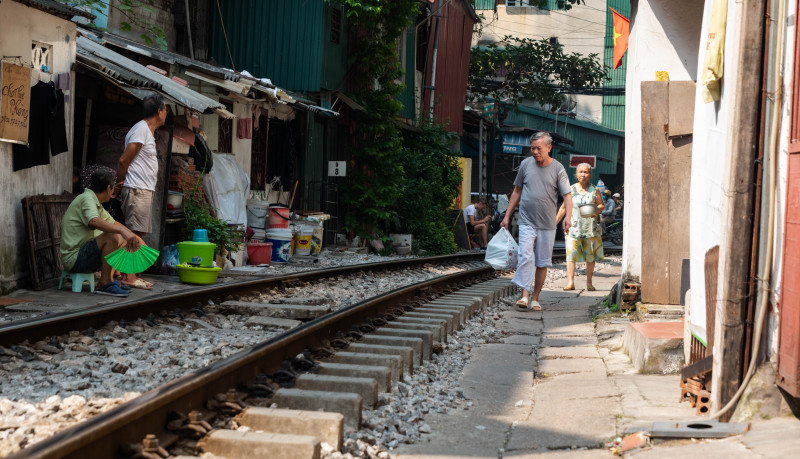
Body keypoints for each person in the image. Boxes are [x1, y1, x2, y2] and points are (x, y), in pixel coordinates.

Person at [501, 132, 572, 311]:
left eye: (538, 148)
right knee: (525, 255)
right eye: (532, 148)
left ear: (549, 148)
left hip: (547, 223)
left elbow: (567, 196)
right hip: (526, 220)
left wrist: (568, 218)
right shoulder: (525, 164)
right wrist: (507, 216)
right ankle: (524, 296)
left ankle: (535, 298)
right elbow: (517, 191)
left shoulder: (558, 169)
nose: (534, 151)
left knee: (542, 262)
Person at [60, 169, 143, 297]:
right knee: (113, 235)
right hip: (75, 260)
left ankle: (109, 280)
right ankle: (104, 283)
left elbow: (113, 223)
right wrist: (122, 231)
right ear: (109, 188)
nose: (113, 192)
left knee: (120, 237)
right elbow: (94, 221)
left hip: (84, 256)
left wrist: (134, 237)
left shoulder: (95, 202)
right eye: (113, 188)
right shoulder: (86, 199)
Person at [115, 94, 167, 289]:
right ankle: (129, 276)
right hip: (137, 188)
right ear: (160, 111)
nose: (166, 113)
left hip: (142, 189)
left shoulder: (146, 130)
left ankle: (126, 271)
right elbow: (123, 160)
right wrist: (120, 183)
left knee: (138, 232)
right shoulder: (141, 130)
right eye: (166, 109)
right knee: (134, 233)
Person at [556, 163, 605, 291]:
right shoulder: (570, 190)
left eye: (586, 172)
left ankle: (589, 283)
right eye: (580, 172)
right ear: (576, 174)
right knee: (570, 255)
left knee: (590, 256)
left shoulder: (595, 190)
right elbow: (563, 208)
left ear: (590, 175)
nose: (583, 174)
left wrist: (594, 210)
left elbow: (601, 205)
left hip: (590, 229)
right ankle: (570, 282)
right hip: (573, 227)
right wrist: (553, 224)